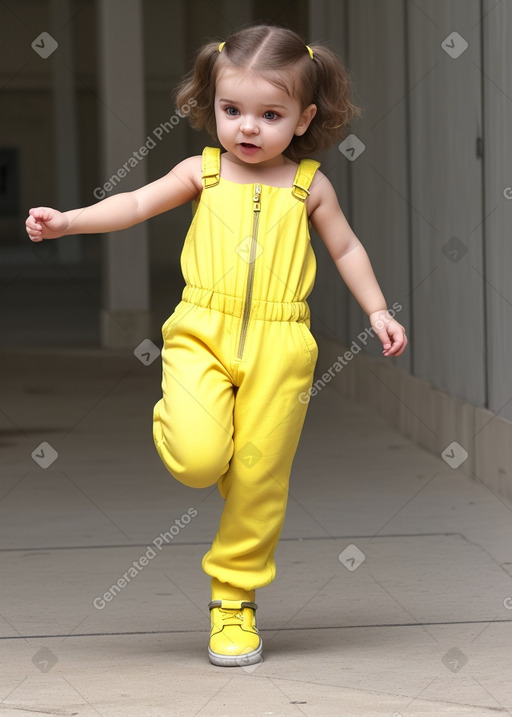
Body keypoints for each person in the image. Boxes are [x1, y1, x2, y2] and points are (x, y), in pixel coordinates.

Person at [26, 23, 407, 668]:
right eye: (232, 111)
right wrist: (69, 222)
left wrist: (377, 309)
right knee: (201, 460)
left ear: (304, 118)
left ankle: (234, 601)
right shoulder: (199, 172)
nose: (247, 129)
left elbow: (345, 247)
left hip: (283, 347)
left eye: (269, 114)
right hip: (201, 331)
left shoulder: (309, 185)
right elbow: (134, 205)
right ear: (213, 107)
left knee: (260, 483)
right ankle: (187, 422)